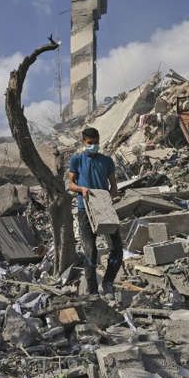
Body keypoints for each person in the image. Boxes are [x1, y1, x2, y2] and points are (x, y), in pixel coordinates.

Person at [68, 127, 123, 297]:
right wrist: (81, 189)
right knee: (91, 251)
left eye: (96, 143)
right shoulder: (76, 160)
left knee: (117, 249)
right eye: (90, 143)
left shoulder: (106, 161)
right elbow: (70, 185)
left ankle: (107, 282)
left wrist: (113, 194)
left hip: (105, 209)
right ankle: (92, 291)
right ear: (83, 142)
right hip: (85, 210)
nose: (94, 146)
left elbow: (113, 184)